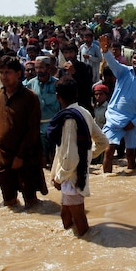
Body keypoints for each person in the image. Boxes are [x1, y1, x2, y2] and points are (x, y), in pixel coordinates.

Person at [0, 55, 47, 210]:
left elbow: (33, 131)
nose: (4, 76)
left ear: (18, 74)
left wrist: (20, 156)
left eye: (8, 72)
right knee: (9, 202)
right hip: (2, 157)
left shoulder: (30, 98)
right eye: (1, 72)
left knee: (32, 204)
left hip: (25, 159)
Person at [48, 78, 109, 237]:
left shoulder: (69, 118)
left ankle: (87, 248)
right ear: (76, 94)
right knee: (65, 215)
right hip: (77, 172)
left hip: (71, 175)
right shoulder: (85, 112)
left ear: (57, 96)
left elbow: (69, 155)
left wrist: (59, 178)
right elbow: (103, 142)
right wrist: (88, 156)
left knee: (78, 217)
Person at [98, 34, 136, 173]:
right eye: (135, 58)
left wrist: (134, 122)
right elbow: (112, 62)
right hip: (114, 117)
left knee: (130, 155)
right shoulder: (123, 71)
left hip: (132, 122)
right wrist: (105, 51)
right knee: (109, 151)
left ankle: (132, 174)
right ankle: (107, 179)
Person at [25, 56, 59, 167]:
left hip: (55, 125)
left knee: (55, 156)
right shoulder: (30, 84)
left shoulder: (57, 84)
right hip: (38, 126)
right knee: (41, 157)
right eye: (37, 68)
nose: (38, 70)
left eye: (41, 67)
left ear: (48, 68)